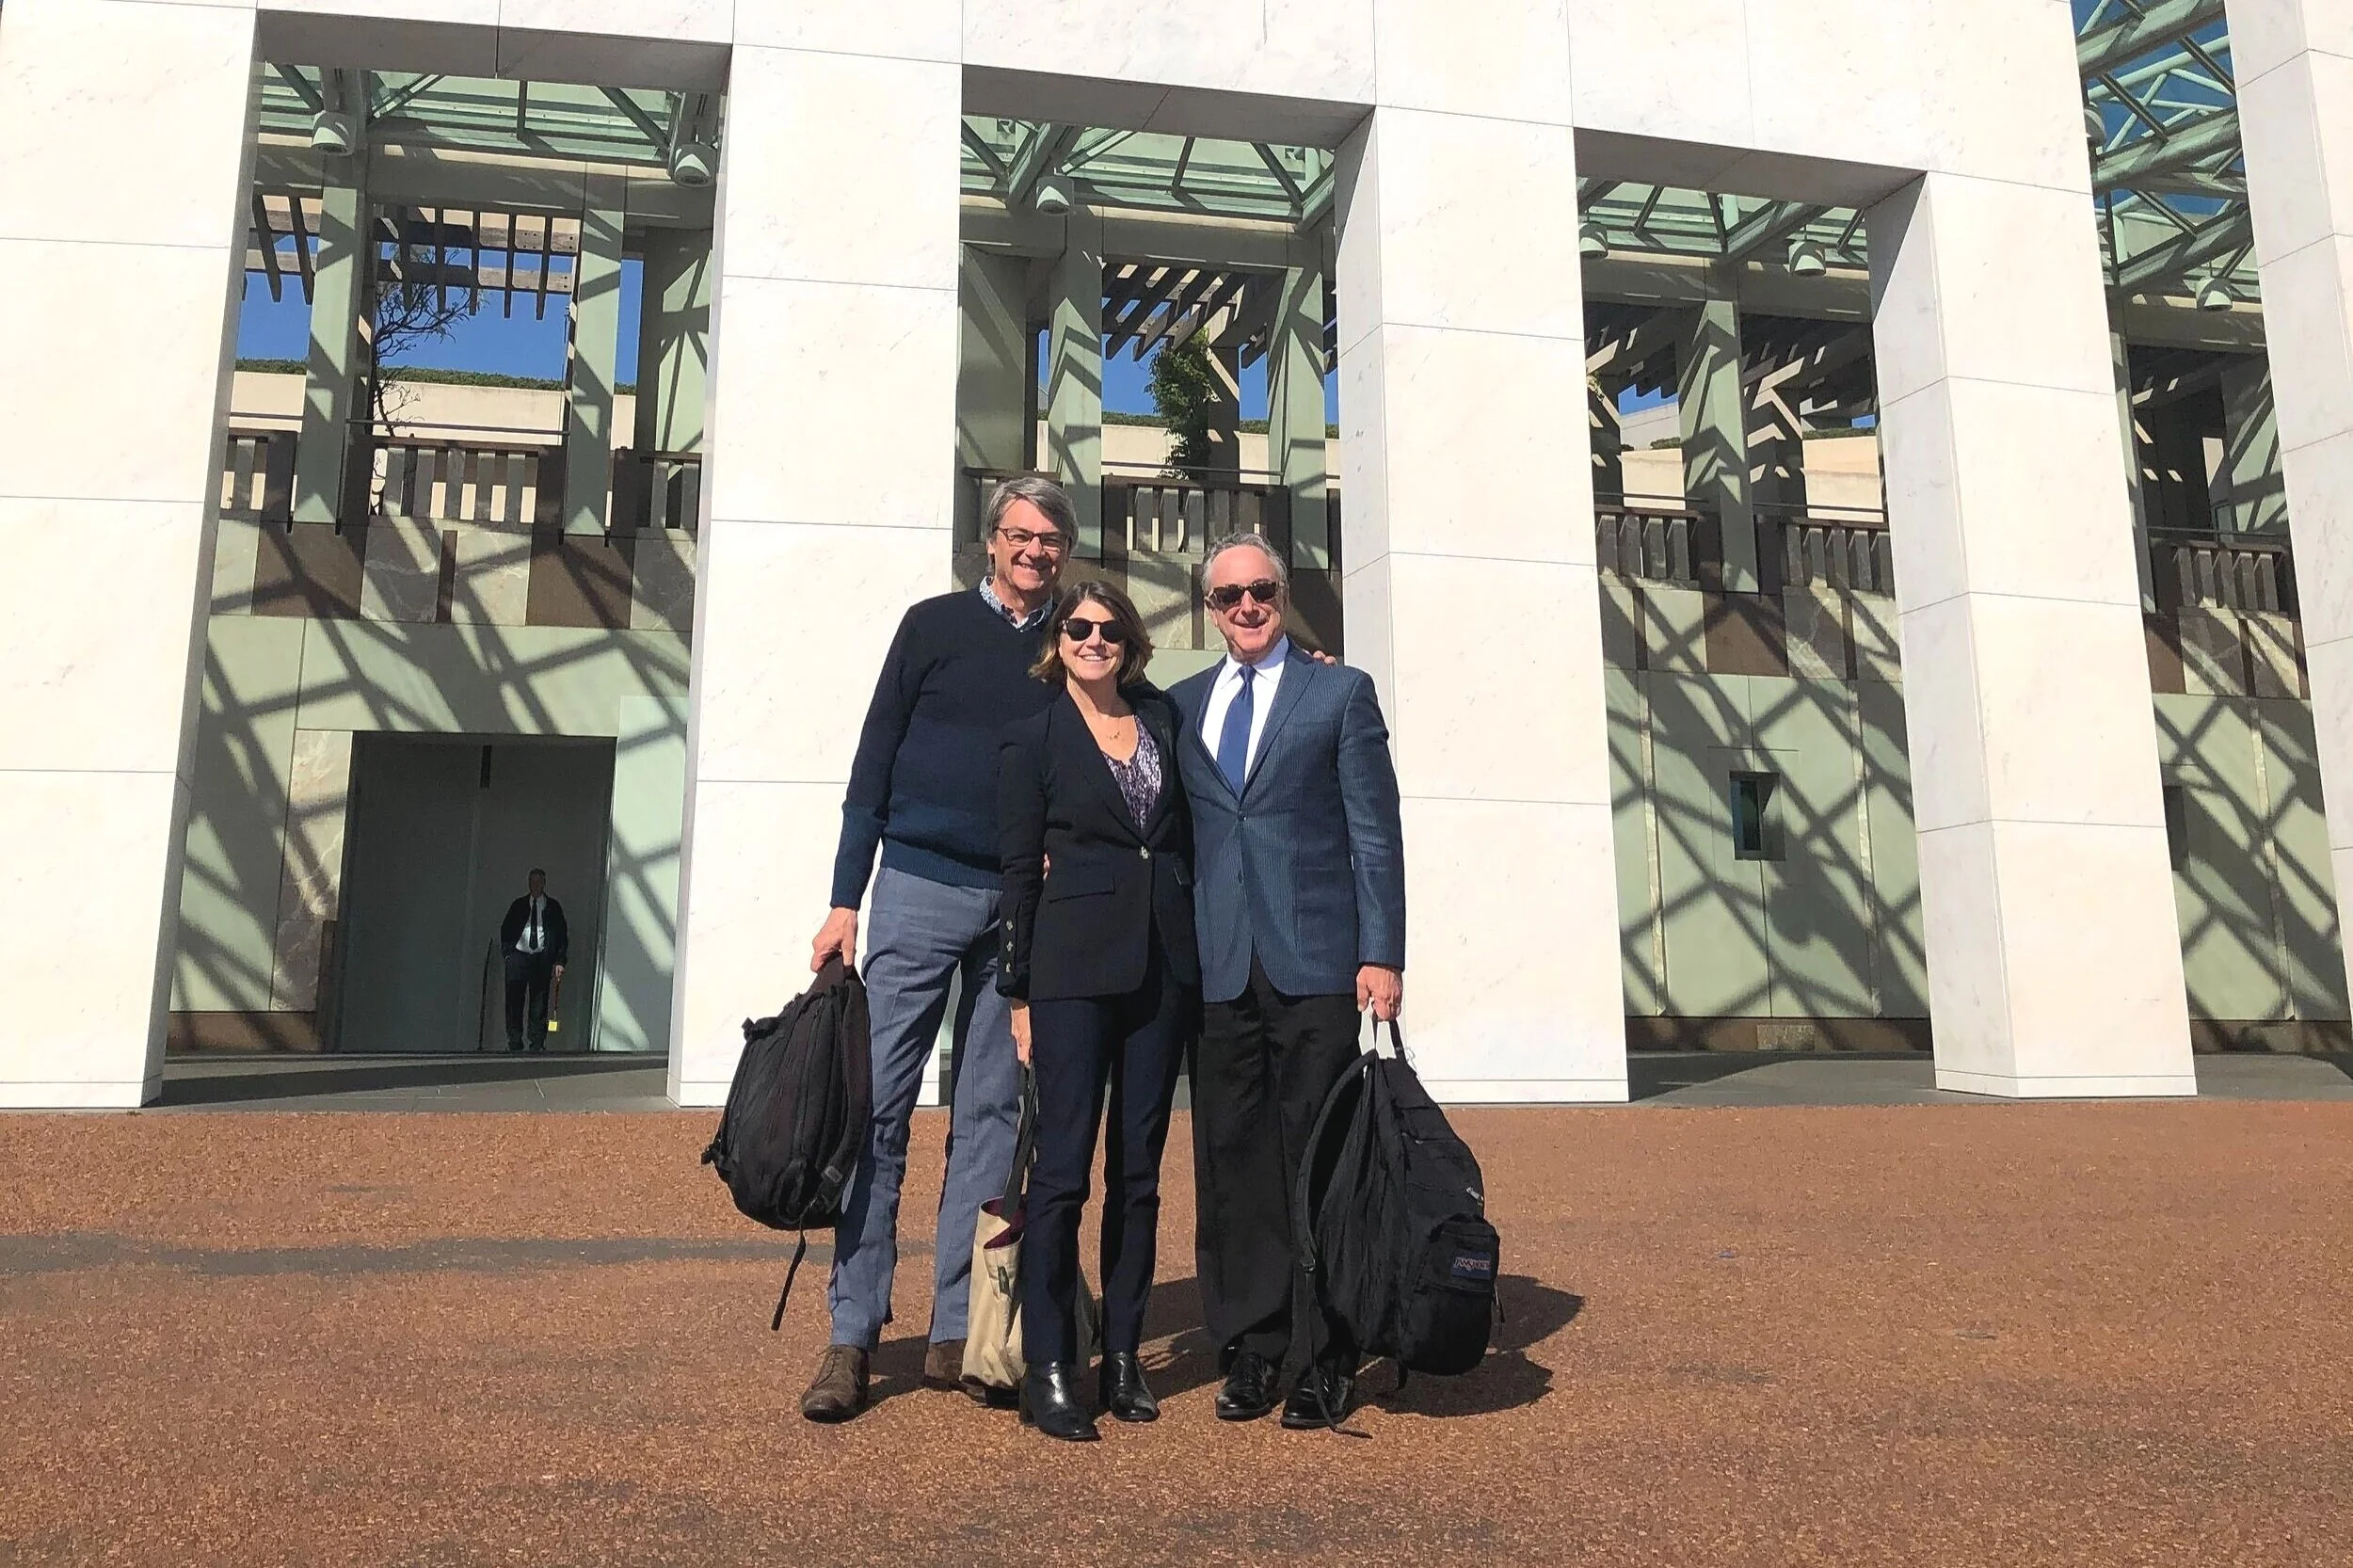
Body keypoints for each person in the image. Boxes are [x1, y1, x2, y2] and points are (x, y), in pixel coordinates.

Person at [798, 475, 1077, 1423]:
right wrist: (846, 899)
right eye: (1019, 534)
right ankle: (852, 1333)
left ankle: (958, 1328)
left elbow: (1142, 717)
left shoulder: (1073, 639)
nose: (1033, 551)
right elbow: (872, 761)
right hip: (916, 887)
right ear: (991, 541)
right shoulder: (931, 627)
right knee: (875, 1111)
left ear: (1063, 552)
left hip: (1020, 905)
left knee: (990, 1117)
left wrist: (1297, 660)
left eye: (1049, 539)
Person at [1168, 532, 1406, 1431]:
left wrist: (1383, 951)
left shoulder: (1339, 692)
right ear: (1210, 609)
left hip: (1316, 962)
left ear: (1283, 592)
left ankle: (1325, 1353)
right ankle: (1253, 1346)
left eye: (1261, 590)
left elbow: (1374, 830)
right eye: (1228, 596)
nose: (1247, 607)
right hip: (1218, 967)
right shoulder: (1181, 706)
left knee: (1320, 1160)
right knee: (1231, 1165)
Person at [997, 582, 1199, 1443]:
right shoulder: (1034, 737)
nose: (1093, 639)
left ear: (1131, 643)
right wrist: (1017, 993)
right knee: (1062, 1175)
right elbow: (1017, 874)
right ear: (1058, 641)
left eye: (1110, 629)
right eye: (1078, 627)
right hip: (1070, 975)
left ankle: (1122, 1356)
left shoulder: (1162, 721)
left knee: (1139, 1173)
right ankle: (1051, 1366)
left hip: (1163, 971)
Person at [499, 869, 568, 1052]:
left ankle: (537, 1043)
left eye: (538, 882)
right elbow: (506, 929)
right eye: (531, 881)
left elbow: (561, 935)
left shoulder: (553, 907)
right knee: (514, 1000)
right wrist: (508, 954)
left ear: (544, 884)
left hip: (541, 958)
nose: (534, 885)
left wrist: (559, 961)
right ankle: (514, 1041)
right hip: (518, 957)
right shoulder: (518, 905)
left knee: (539, 1002)